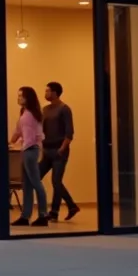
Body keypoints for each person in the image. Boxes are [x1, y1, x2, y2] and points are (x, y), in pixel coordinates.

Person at [40, 82, 80, 222]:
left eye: (47, 91)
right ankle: (57, 211)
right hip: (46, 150)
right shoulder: (45, 109)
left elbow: (69, 132)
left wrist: (62, 148)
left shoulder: (64, 109)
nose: (45, 93)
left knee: (56, 181)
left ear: (55, 92)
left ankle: (64, 208)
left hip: (59, 150)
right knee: (36, 176)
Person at [9, 86, 49, 227]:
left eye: (21, 96)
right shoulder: (25, 112)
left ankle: (43, 215)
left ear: (28, 98)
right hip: (28, 150)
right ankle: (25, 216)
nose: (18, 98)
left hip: (30, 151)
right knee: (27, 185)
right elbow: (18, 131)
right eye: (18, 95)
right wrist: (10, 142)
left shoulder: (29, 115)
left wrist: (21, 145)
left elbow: (30, 137)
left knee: (35, 182)